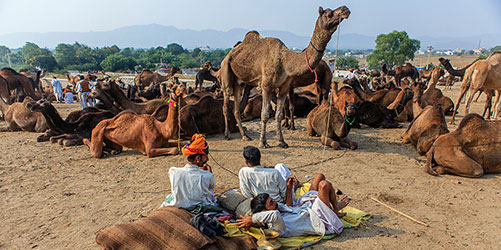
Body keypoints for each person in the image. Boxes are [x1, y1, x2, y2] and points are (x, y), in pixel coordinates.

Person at [236, 176, 350, 237]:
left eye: (272, 200)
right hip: (319, 220)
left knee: (319, 177)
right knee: (324, 185)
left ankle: (334, 209)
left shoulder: (276, 208)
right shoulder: (275, 226)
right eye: (271, 203)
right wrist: (252, 219)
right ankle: (335, 210)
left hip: (305, 208)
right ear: (264, 211)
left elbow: (288, 205)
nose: (275, 203)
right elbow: (274, 215)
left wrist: (290, 189)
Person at [160, 134, 217, 209]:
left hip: (179, 206)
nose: (207, 159)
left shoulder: (174, 172)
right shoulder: (207, 175)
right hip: (199, 208)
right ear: (198, 158)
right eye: (205, 156)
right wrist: (209, 173)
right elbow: (211, 190)